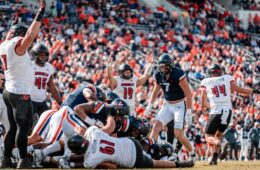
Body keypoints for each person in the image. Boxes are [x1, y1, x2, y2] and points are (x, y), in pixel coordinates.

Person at [0, 0, 46, 168]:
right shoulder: (17, 46)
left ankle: (5, 158)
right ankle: (23, 159)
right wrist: (39, 14)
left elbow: (9, 38)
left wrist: (13, 24)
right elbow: (30, 36)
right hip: (20, 93)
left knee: (12, 128)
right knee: (22, 128)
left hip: (8, 91)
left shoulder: (4, 44)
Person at [200, 63, 260, 165]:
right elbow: (240, 90)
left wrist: (213, 106)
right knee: (218, 135)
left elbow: (203, 103)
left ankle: (222, 144)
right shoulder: (227, 78)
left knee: (208, 136)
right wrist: (255, 90)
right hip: (228, 111)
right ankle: (214, 159)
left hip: (216, 111)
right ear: (220, 72)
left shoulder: (206, 81)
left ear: (210, 72)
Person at [144, 54, 195, 160]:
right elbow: (156, 90)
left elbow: (188, 93)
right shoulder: (158, 74)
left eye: (165, 66)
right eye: (161, 66)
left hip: (179, 105)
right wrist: (149, 105)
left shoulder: (178, 74)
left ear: (170, 66)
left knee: (179, 134)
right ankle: (151, 153)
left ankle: (192, 153)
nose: (162, 69)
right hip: (167, 105)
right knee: (156, 127)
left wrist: (189, 110)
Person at [67, 126, 194, 168]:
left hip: (132, 160)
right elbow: (109, 126)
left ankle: (181, 164)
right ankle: (180, 162)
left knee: (154, 163)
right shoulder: (93, 132)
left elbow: (113, 166)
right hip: (131, 142)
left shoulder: (90, 161)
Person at [30, 43, 62, 116]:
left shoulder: (49, 67)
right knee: (29, 124)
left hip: (42, 101)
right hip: (30, 100)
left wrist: (60, 102)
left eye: (45, 55)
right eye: (41, 55)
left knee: (46, 123)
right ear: (35, 55)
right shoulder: (30, 66)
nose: (43, 57)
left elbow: (52, 87)